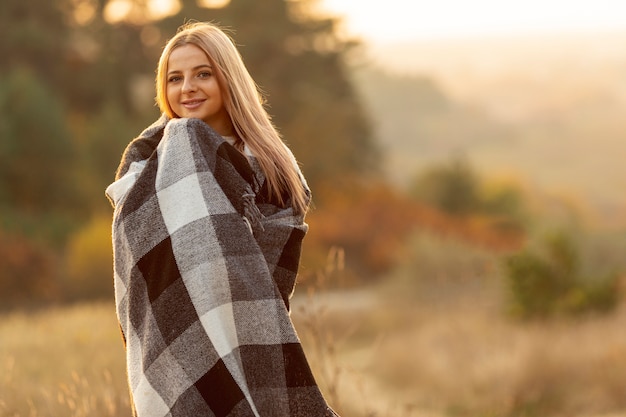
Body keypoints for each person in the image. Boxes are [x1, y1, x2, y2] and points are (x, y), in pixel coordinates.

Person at [106, 21, 338, 416]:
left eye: (203, 74)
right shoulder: (147, 166)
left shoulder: (272, 166)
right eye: (174, 78)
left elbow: (270, 272)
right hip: (174, 339)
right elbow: (147, 261)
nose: (187, 88)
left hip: (250, 333)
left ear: (228, 78)